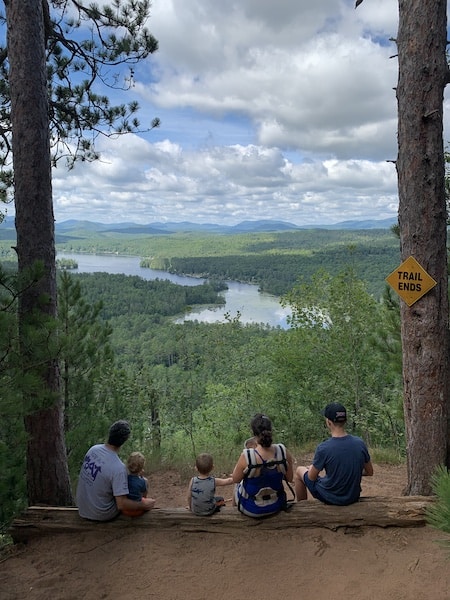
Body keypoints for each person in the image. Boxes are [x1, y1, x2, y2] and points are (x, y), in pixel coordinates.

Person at [294, 402, 374, 506]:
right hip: (352, 496)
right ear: (345, 420)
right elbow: (370, 472)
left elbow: (311, 478)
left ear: (328, 422)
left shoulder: (323, 448)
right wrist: (351, 471)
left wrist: (311, 468)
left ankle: (301, 508)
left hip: (330, 497)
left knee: (299, 471)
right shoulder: (360, 443)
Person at [76, 420, 156, 521]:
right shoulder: (118, 468)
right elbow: (121, 504)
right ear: (124, 441)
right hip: (101, 513)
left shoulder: (93, 450)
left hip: (82, 508)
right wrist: (143, 505)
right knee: (127, 497)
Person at [232, 413, 294, 518]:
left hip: (252, 508)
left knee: (237, 485)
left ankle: (234, 514)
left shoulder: (247, 456)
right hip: (276, 505)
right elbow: (290, 478)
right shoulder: (282, 451)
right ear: (271, 431)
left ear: (253, 433)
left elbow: (235, 479)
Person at [122, 451, 150, 517]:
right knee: (149, 501)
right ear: (141, 468)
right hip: (137, 511)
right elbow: (144, 496)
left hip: (125, 509)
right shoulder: (143, 481)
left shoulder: (124, 478)